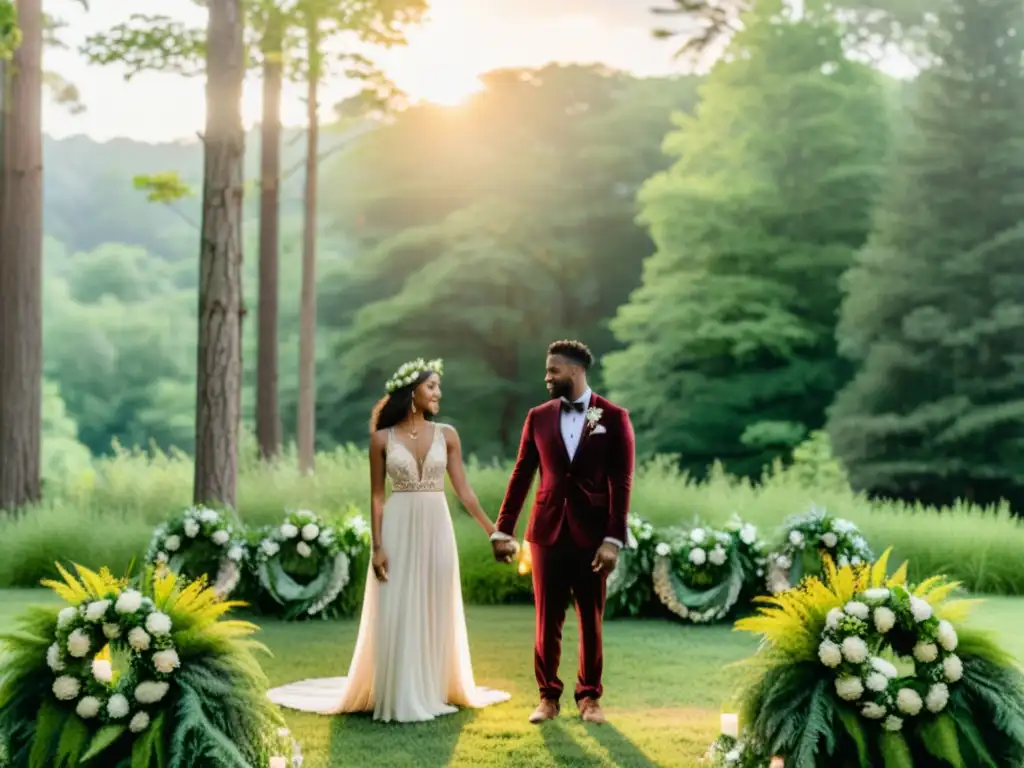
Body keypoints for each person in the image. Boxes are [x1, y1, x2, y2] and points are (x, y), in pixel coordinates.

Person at [267, 358, 511, 722]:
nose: (438, 393)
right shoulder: (381, 439)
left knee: (435, 598)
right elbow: (378, 497)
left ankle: (436, 686)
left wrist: (494, 529)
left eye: (438, 387)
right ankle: (401, 690)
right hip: (397, 525)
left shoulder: (448, 435)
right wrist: (377, 546)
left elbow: (464, 491)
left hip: (436, 524)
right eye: (432, 386)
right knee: (398, 603)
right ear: (411, 391)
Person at [491, 340, 635, 725]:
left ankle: (589, 699)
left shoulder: (614, 417)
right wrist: (502, 529)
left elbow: (621, 481)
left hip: (593, 536)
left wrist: (613, 538)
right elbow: (522, 474)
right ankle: (547, 698)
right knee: (546, 619)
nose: (547, 377)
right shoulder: (537, 417)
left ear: (574, 371)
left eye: (553, 370)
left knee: (592, 620)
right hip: (547, 531)